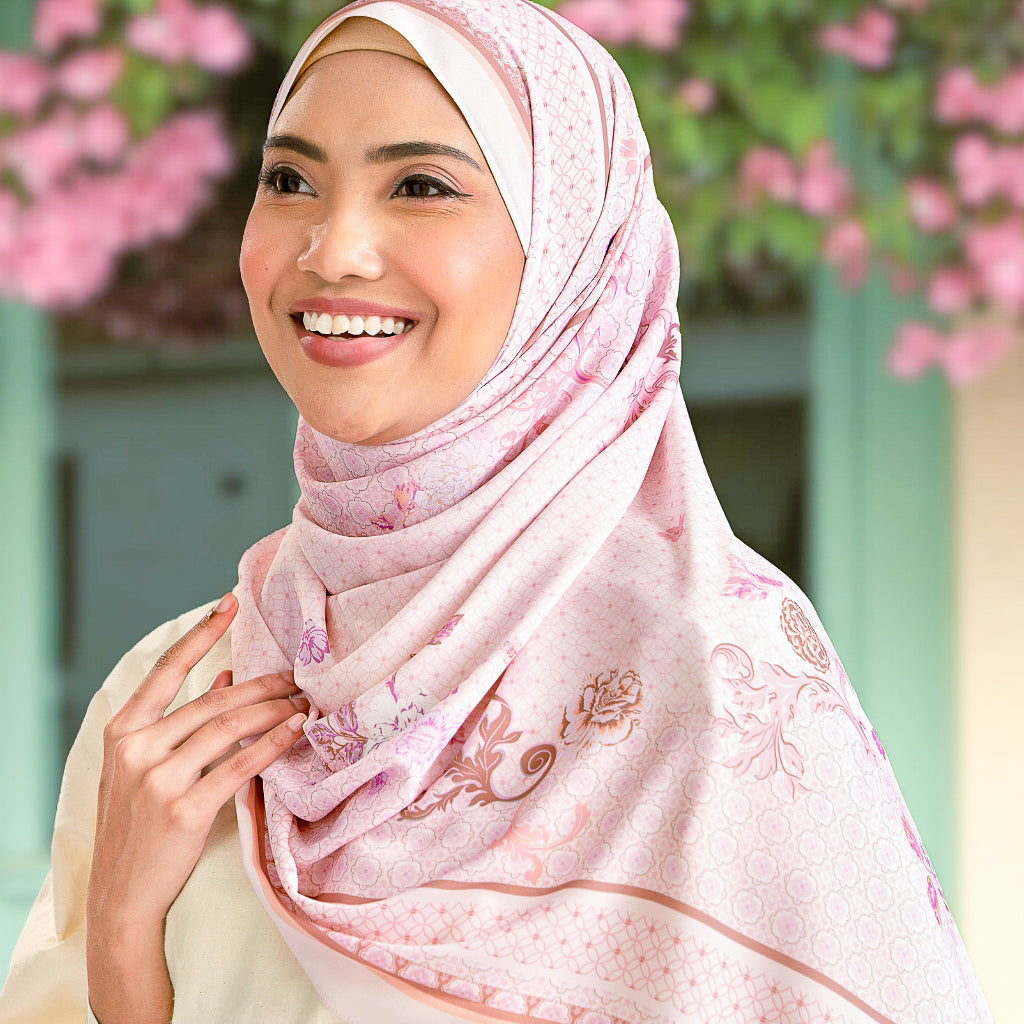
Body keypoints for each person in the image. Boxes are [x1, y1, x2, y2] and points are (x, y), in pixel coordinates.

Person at [0, 0, 994, 1021]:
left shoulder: (721, 686)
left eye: (420, 185)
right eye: (290, 179)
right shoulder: (178, 707)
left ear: (570, 251)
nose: (333, 250)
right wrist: (122, 928)